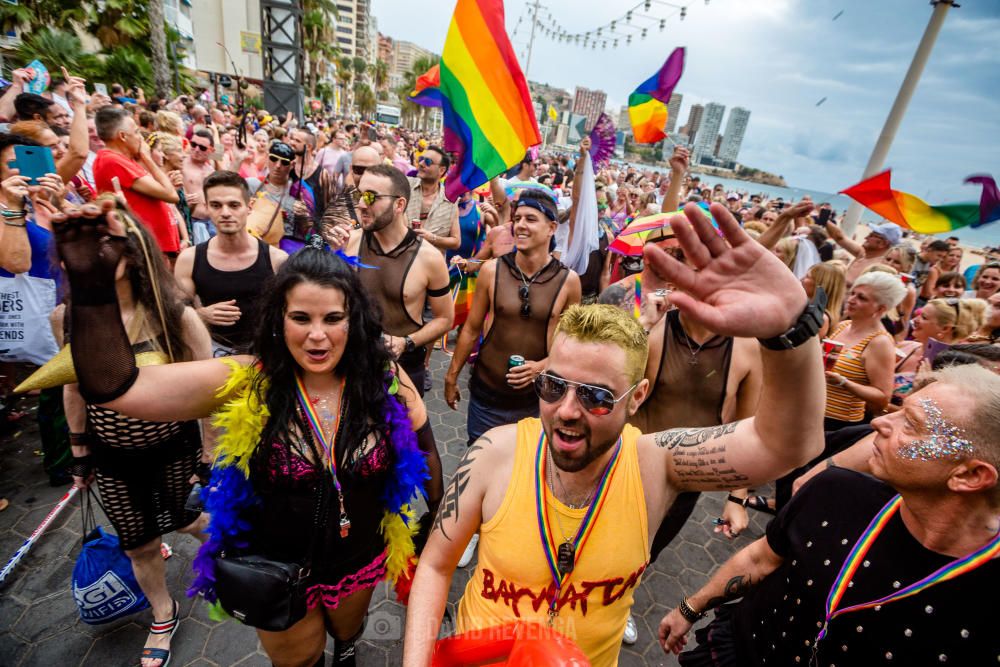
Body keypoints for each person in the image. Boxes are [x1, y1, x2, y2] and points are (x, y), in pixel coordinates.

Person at [403, 202, 829, 667]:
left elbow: (789, 444)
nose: (566, 411)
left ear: (638, 396)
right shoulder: (495, 452)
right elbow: (435, 565)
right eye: (553, 385)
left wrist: (792, 330)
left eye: (596, 396)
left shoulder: (657, 464)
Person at [50, 202, 436, 667]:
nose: (317, 337)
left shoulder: (385, 378)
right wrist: (92, 284)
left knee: (347, 638)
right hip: (274, 571)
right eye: (301, 318)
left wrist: (431, 534)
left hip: (360, 560)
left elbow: (428, 451)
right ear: (278, 318)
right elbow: (115, 387)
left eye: (332, 319)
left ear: (355, 320)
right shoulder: (246, 379)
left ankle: (349, 652)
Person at [659, 364, 1000, 667]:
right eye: (899, 409)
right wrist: (690, 608)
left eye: (911, 424)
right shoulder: (837, 490)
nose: (880, 421)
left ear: (970, 476)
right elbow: (761, 557)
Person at [55, 203, 211, 667]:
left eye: (112, 239)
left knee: (190, 521)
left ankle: (230, 552)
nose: (102, 249)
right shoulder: (70, 317)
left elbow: (210, 392)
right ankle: (164, 612)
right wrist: (79, 451)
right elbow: (73, 385)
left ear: (136, 249)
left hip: (174, 451)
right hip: (114, 457)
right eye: (93, 242)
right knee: (138, 542)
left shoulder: (174, 317)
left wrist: (210, 455)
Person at [174, 171, 287, 355]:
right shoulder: (190, 259)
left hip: (264, 354)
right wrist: (201, 314)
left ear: (249, 207)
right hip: (213, 352)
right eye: (216, 205)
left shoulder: (276, 259)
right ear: (207, 208)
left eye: (234, 205)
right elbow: (175, 313)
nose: (225, 213)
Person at [92, 107, 181, 256]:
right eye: (136, 132)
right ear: (123, 136)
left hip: (156, 246)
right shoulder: (111, 160)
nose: (141, 138)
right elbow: (170, 195)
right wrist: (147, 157)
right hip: (146, 248)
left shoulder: (123, 159)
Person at [822, 271, 903, 430]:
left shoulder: (880, 343)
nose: (851, 300)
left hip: (838, 424)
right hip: (814, 412)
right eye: (852, 293)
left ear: (880, 309)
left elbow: (882, 397)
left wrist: (844, 382)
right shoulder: (842, 326)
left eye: (861, 298)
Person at [404, 145, 460, 253]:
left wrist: (433, 238)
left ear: (441, 170)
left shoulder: (451, 200)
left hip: (431, 265)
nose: (421, 164)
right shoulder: (405, 186)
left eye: (428, 162)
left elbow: (456, 241)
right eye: (421, 159)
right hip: (402, 261)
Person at [825, 220, 902, 285]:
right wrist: (824, 219)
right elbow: (839, 238)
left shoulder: (879, 268)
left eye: (872, 235)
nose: (866, 237)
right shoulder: (862, 254)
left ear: (883, 243)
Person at [182, 129, 218, 244]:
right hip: (192, 222)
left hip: (212, 222)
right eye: (193, 144)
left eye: (202, 147)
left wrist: (215, 131)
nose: (196, 149)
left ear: (211, 150)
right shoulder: (181, 164)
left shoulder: (211, 168)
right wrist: (182, 201)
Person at [911, 238, 950, 305]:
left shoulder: (929, 263)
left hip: (913, 300)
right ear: (929, 250)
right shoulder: (912, 260)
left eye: (943, 257)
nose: (940, 259)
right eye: (939, 255)